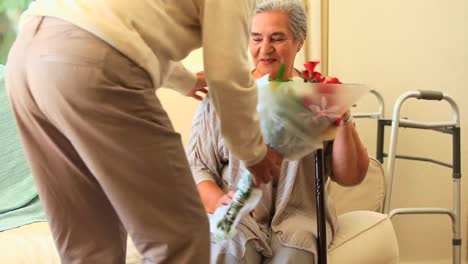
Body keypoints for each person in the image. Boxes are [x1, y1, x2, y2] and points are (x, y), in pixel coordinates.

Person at [5, 1, 283, 263]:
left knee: (90, 247)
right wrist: (254, 153)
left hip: (27, 58)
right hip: (90, 61)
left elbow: (120, 18)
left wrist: (183, 80)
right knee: (180, 236)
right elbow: (227, 74)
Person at [186, 0, 370, 263]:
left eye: (278, 38)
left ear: (299, 41)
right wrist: (218, 202)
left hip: (300, 219)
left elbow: (351, 176)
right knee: (229, 249)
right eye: (256, 38)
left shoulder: (320, 95)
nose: (265, 49)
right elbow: (197, 167)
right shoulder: (224, 94)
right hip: (238, 213)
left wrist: (341, 117)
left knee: (293, 253)